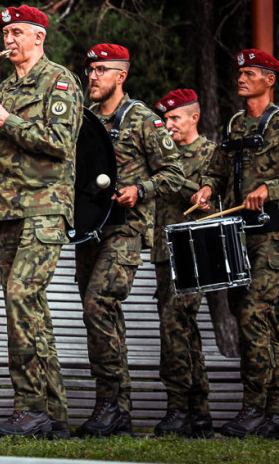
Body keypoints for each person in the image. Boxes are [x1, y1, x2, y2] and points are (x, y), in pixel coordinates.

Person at [0, 5, 80, 438]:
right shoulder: (6, 85)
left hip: (45, 208)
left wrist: (5, 119)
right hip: (9, 210)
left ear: (39, 36)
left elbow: (60, 142)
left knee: (19, 298)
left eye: (18, 32)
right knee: (31, 310)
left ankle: (29, 406)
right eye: (5, 33)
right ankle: (54, 414)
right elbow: (11, 145)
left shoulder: (59, 80)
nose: (9, 40)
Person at [78, 44, 184, 437]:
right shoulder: (85, 120)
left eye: (102, 70)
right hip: (90, 230)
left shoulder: (142, 119)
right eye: (90, 69)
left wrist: (142, 187)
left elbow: (174, 172)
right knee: (99, 316)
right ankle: (115, 407)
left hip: (126, 228)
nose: (93, 76)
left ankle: (113, 406)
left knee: (98, 302)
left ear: (121, 76)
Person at [192, 48, 279, 438]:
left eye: (250, 73)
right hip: (239, 233)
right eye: (239, 72)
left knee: (254, 317)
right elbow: (219, 167)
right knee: (251, 318)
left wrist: (268, 187)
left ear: (269, 80)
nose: (241, 78)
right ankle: (270, 412)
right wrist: (209, 188)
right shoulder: (236, 125)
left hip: (273, 236)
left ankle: (254, 409)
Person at [150, 88, 214, 437]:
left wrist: (201, 192)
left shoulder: (209, 154)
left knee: (175, 325)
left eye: (175, 118)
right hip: (165, 250)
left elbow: (217, 195)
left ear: (194, 117)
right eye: (166, 119)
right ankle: (198, 412)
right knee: (181, 328)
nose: (169, 125)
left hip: (193, 249)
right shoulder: (164, 154)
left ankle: (179, 407)